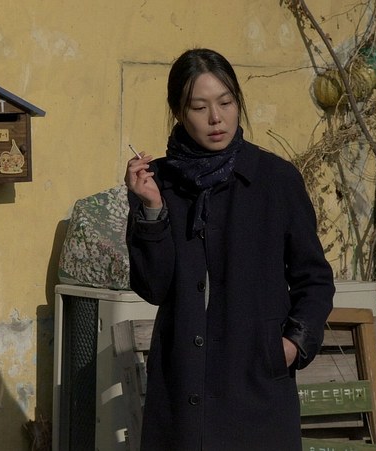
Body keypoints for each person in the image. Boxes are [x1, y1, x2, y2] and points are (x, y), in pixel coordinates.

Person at [124, 48, 335, 450]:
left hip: (256, 391)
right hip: (182, 392)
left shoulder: (276, 180)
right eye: (199, 107)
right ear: (179, 112)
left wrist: (290, 346)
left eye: (225, 102)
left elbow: (314, 279)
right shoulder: (158, 183)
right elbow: (153, 287)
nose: (216, 118)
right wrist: (151, 209)